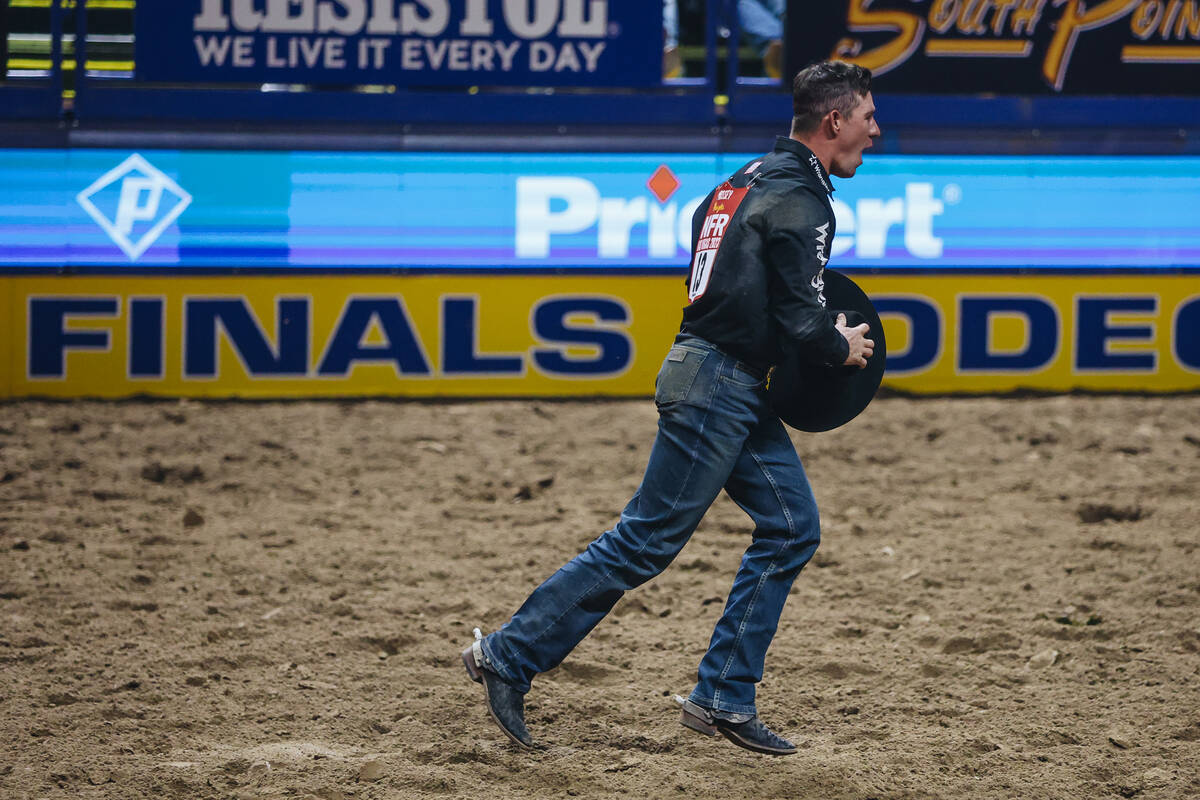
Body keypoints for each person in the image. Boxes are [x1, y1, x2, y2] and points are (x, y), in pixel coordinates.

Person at [462, 60, 879, 757]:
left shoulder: (737, 181)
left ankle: (723, 696)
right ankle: (507, 654)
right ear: (834, 121)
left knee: (791, 526)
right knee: (644, 541)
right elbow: (806, 323)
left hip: (719, 378)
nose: (877, 128)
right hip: (720, 385)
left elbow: (734, 282)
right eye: (868, 115)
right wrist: (843, 347)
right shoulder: (804, 199)